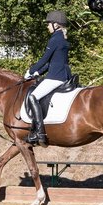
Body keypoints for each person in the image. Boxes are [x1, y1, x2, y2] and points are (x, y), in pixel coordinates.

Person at [24, 10, 72, 145]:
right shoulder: (62, 38)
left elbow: (45, 59)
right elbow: (54, 62)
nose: (47, 26)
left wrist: (31, 71)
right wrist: (39, 72)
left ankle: (39, 132)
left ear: (56, 24)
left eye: (48, 24)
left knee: (33, 97)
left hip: (55, 77)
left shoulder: (55, 38)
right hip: (63, 74)